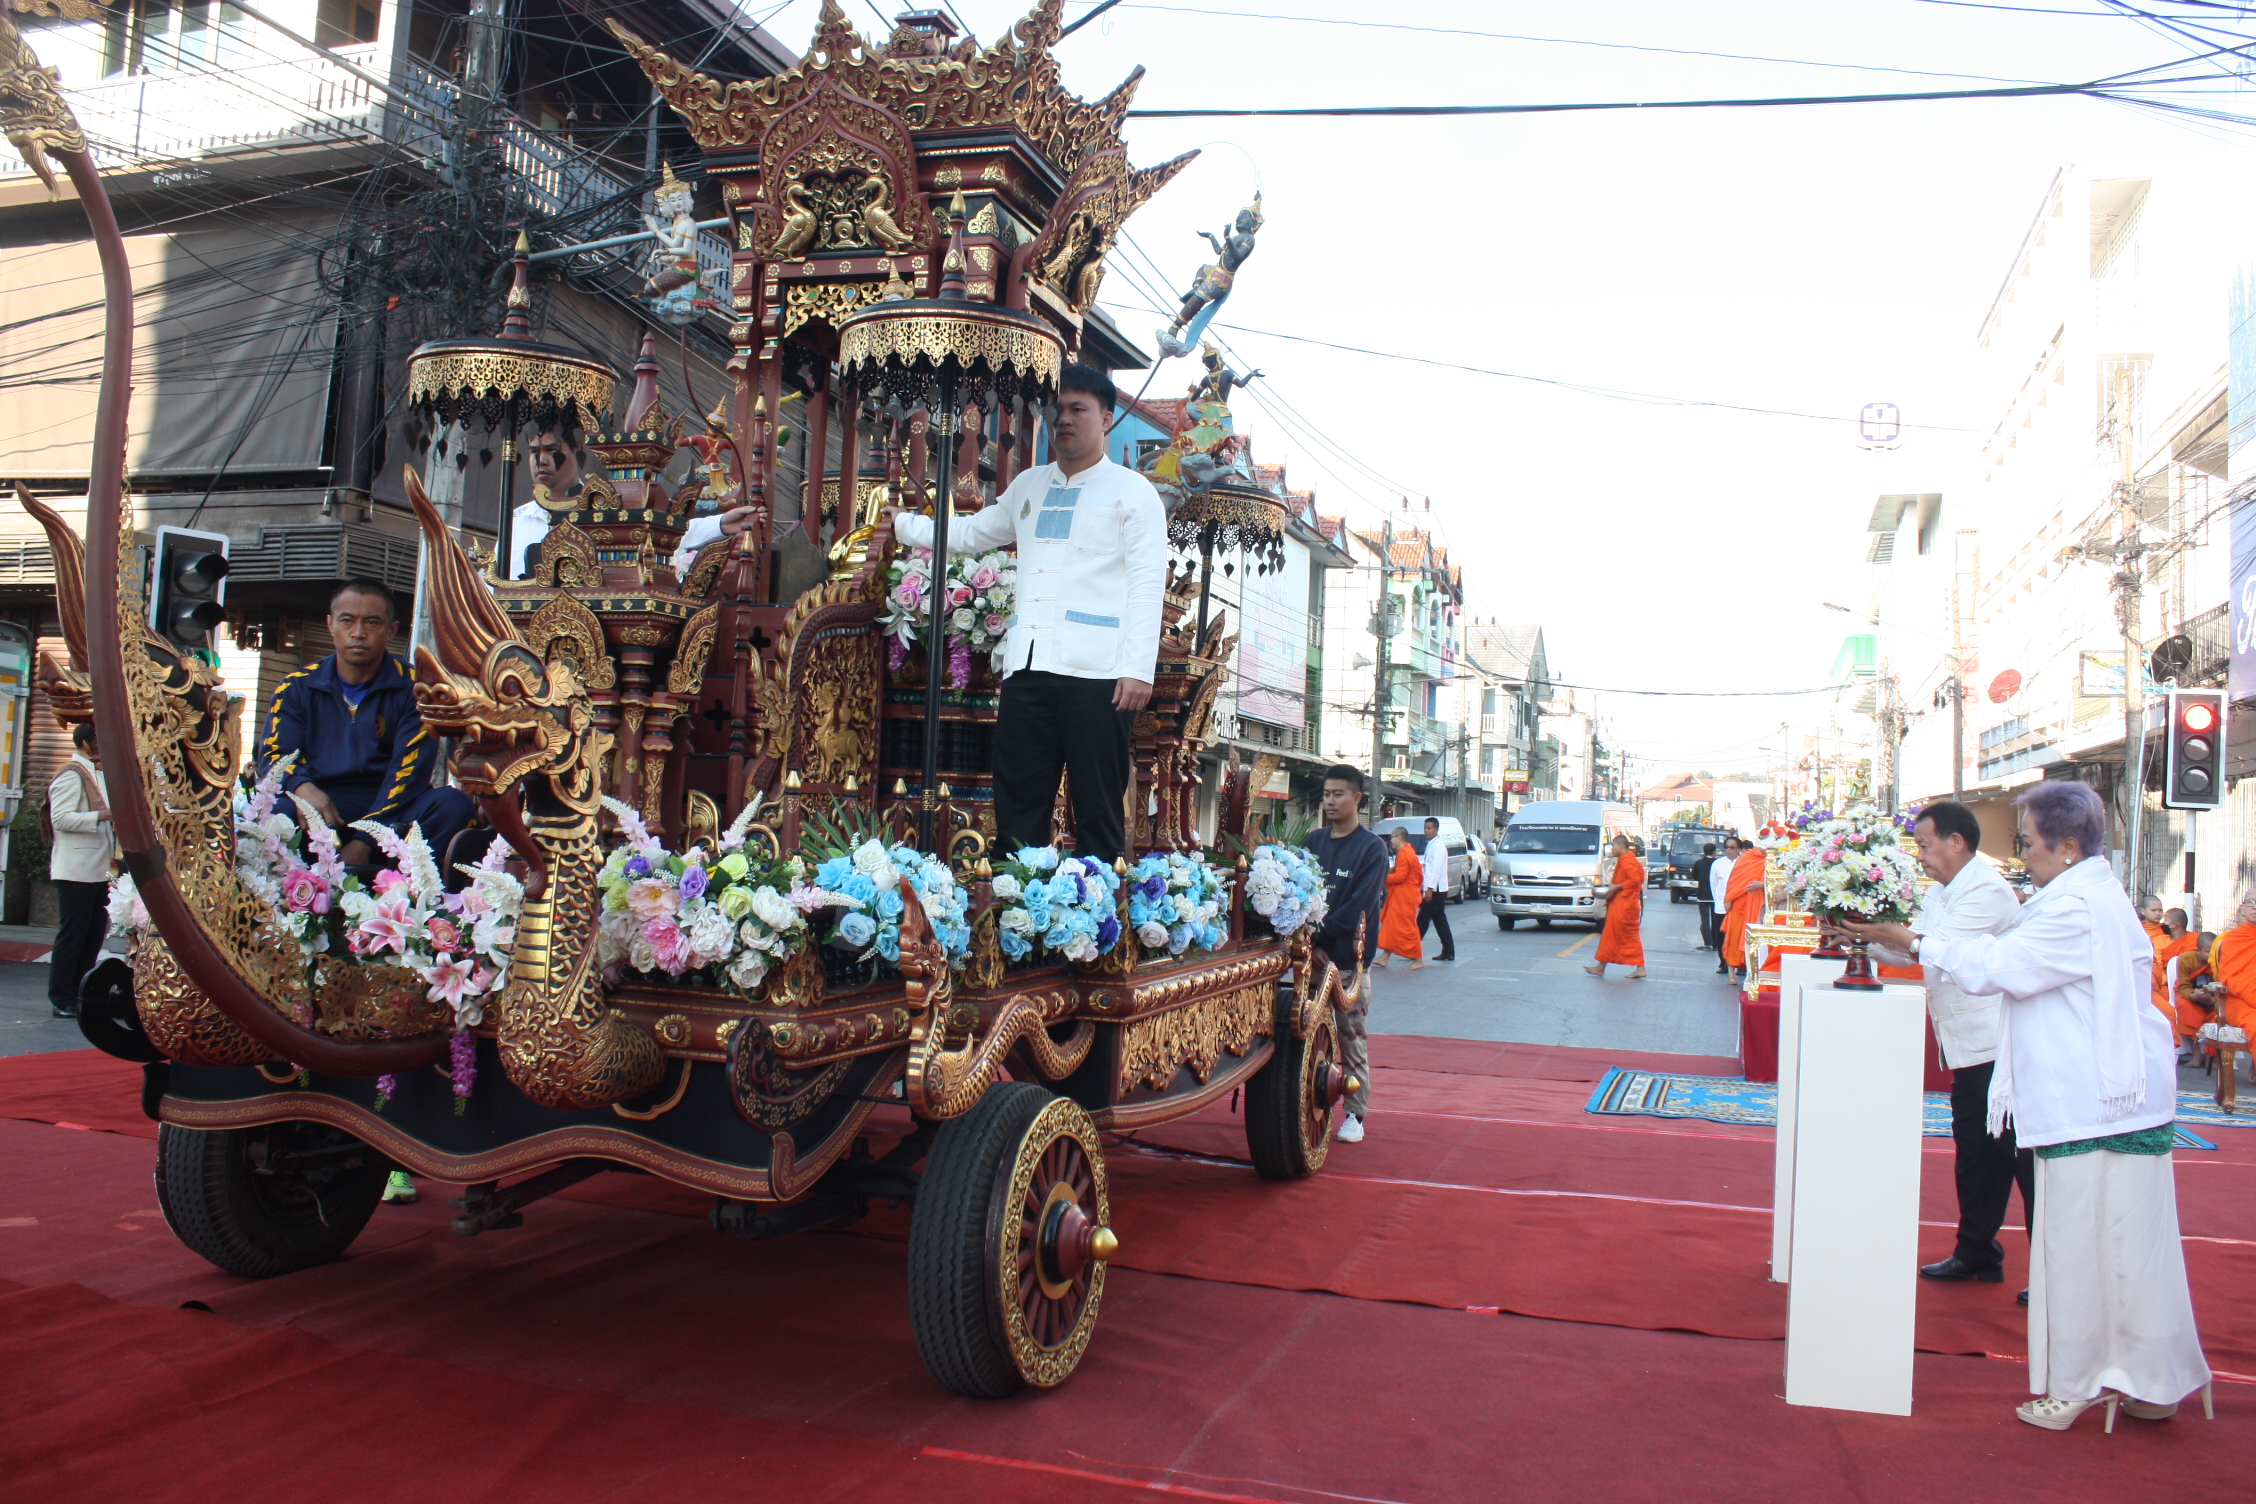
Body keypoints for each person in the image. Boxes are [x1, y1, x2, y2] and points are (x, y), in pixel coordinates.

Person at [1840, 781, 2210, 1431]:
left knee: (2078, 1248)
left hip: (2092, 1103)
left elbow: (1999, 967)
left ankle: (2077, 1383)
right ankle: (2153, 1380)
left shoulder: (2076, 907)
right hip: (2116, 1099)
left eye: (2029, 841)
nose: (2022, 853)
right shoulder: (2084, 893)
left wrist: (1917, 942)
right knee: (2132, 1250)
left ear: (2067, 847)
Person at [891, 364, 1164, 864]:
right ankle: (1014, 905)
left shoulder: (1133, 492)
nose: (1065, 420)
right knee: (1017, 804)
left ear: (1106, 419)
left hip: (1098, 673)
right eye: (1058, 410)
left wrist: (1138, 668)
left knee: (1098, 808)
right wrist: (903, 526)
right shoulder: (1029, 485)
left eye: (1078, 409)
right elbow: (972, 534)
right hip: (1027, 666)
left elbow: (1148, 583)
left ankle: (1097, 908)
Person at [1849, 801, 2029, 1286]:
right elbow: (1911, 951)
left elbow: (1936, 948)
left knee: (2021, 1160)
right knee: (1976, 1153)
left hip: (2002, 1045)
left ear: (1957, 841)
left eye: (1926, 846)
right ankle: (1976, 1251)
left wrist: (1890, 933)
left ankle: (2056, 1274)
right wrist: (1861, 938)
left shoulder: (1987, 891)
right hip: (1967, 1047)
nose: (1921, 857)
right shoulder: (1941, 893)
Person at [262, 580, 474, 865]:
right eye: (347, 621)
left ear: (392, 630)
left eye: (372, 622)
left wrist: (367, 839)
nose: (358, 633)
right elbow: (274, 756)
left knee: (452, 804)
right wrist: (303, 789)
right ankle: (293, 887)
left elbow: (408, 774)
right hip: (324, 805)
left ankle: (407, 886)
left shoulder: (417, 688)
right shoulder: (296, 687)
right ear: (330, 624)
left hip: (394, 808)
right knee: (279, 810)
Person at [1305, 765, 1387, 1143]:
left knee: (1351, 1039)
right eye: (1326, 794)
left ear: (1357, 799)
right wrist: (1312, 945)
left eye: (1338, 794)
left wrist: (1321, 936)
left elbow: (1359, 907)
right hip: (1312, 961)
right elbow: (1300, 898)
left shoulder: (1372, 848)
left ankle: (1355, 1113)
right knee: (1305, 1039)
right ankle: (1304, 1105)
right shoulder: (1313, 842)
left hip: (1349, 966)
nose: (1331, 801)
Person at [46, 721, 112, 1020]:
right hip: (75, 870)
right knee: (73, 938)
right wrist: (103, 815)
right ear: (87, 744)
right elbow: (60, 819)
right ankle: (62, 998)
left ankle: (81, 993)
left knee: (92, 937)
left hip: (99, 868)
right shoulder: (71, 775)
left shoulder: (96, 773)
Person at [2193, 889, 2256, 1084]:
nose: (2255, 907)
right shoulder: (2233, 940)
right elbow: (2232, 979)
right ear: (2242, 908)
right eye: (2251, 902)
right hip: (2239, 1000)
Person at [1584, 834, 1647, 980]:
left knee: (1627, 937)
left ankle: (1640, 967)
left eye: (1613, 846)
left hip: (1625, 906)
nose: (1611, 849)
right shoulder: (1627, 859)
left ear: (1620, 846)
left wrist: (1617, 887)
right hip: (1623, 904)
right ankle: (1600, 967)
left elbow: (1635, 880)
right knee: (1611, 936)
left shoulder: (1627, 860)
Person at [1720, 837, 1767, 982]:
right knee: (1734, 938)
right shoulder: (1747, 857)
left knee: (1755, 940)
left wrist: (1762, 885)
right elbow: (1735, 880)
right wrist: (1729, 899)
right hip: (1740, 904)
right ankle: (1731, 973)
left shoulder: (1774, 860)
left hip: (1760, 904)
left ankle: (1752, 974)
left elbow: (1779, 882)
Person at [1378, 829, 1425, 970]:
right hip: (1402, 895)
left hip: (1405, 896)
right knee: (1391, 925)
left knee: (1407, 927)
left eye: (1392, 837)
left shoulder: (1405, 853)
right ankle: (1384, 957)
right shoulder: (1406, 852)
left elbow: (1400, 877)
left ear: (1399, 838)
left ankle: (1418, 959)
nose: (1390, 841)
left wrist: (1382, 877)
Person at [1416, 816, 1456, 962]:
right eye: (1425, 828)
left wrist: (1429, 889)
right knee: (1439, 921)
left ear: (1436, 829)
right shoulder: (1431, 844)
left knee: (1422, 919)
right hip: (1433, 888)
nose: (1426, 831)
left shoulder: (1438, 846)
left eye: (1429, 828)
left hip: (1436, 889)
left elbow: (1436, 870)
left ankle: (1412, 949)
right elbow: (1428, 869)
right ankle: (1448, 951)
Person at [1709, 836, 1741, 974]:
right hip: (1721, 906)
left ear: (1739, 849)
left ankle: (1740, 963)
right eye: (1727, 847)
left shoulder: (1743, 863)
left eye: (1732, 847)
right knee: (1721, 935)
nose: (1729, 850)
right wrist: (1719, 902)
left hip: (1739, 906)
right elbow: (1714, 884)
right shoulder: (1717, 864)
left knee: (1737, 935)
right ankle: (1724, 962)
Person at [1691, 841, 1721, 952]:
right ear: (1714, 852)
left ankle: (1708, 943)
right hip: (1715, 895)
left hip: (1702, 894)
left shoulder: (1698, 863)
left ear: (1704, 852)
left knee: (1705, 920)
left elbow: (1694, 876)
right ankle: (1716, 943)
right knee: (1715, 920)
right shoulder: (1717, 863)